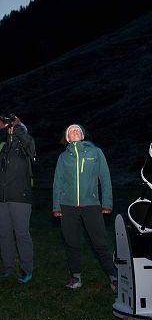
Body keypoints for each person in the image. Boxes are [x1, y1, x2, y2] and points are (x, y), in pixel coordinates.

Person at [52, 124, 117, 291]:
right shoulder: (63, 157)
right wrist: (56, 206)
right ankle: (76, 277)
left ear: (82, 135)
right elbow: (57, 183)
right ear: (67, 138)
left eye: (77, 130)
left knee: (100, 242)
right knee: (71, 242)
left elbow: (105, 178)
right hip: (68, 206)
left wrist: (107, 202)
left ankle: (114, 277)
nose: (74, 131)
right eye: (70, 131)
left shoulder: (95, 152)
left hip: (91, 204)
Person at [0, 114, 35, 284]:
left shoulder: (26, 150)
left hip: (20, 198)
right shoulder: (2, 147)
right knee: (3, 234)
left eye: (13, 126)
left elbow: (30, 144)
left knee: (21, 234)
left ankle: (27, 269)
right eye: (9, 126)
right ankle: (8, 267)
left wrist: (18, 126)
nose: (10, 128)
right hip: (0, 199)